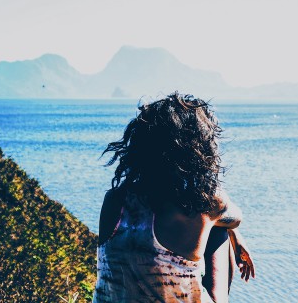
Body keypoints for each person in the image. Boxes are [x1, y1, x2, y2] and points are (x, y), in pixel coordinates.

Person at [93, 93, 255, 303]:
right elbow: (236, 217)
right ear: (199, 150)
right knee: (220, 230)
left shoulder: (114, 201)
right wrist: (232, 232)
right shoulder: (204, 204)